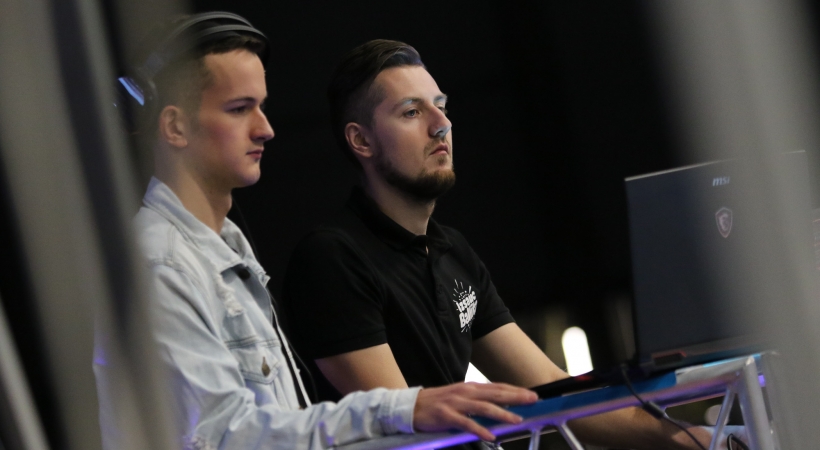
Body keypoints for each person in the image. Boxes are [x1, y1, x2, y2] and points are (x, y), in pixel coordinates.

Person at [96, 14, 539, 450]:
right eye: (239, 109)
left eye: (262, 107)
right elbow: (227, 437)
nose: (266, 129)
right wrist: (401, 410)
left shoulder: (225, 252)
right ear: (174, 127)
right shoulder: (160, 265)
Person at [282, 39, 712, 449]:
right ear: (361, 140)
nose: (441, 124)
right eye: (412, 112)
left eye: (441, 106)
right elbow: (405, 428)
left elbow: (550, 388)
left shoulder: (452, 250)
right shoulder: (333, 258)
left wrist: (687, 438)